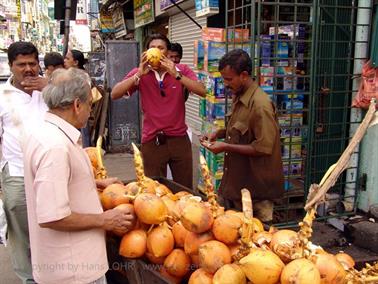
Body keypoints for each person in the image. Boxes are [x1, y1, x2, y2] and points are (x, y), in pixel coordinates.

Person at [22, 68, 135, 284]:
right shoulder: (55, 147)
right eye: (89, 106)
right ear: (76, 105)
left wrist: (94, 182)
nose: (90, 112)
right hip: (73, 271)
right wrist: (105, 220)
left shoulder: (44, 133)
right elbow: (53, 215)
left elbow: (53, 185)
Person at [111, 33, 206, 189]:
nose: (156, 50)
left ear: (167, 53)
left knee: (184, 190)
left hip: (179, 139)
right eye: (152, 48)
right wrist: (138, 75)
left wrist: (176, 74)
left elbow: (202, 91)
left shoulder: (181, 69)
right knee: (154, 189)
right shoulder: (140, 73)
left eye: (160, 47)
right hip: (152, 141)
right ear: (146, 53)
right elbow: (115, 94)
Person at [200, 49, 284, 222]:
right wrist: (220, 133)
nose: (225, 83)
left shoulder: (261, 105)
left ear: (244, 75)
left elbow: (263, 147)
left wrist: (225, 147)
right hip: (237, 185)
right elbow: (242, 129)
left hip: (257, 193)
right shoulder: (240, 96)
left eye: (229, 79)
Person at [0, 41, 48, 284]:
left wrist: (49, 86)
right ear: (11, 66)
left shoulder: (49, 88)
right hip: (17, 174)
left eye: (32, 63)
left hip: (50, 172)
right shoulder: (2, 96)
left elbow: (84, 95)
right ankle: (29, 280)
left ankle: (51, 274)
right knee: (21, 232)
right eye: (21, 64)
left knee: (50, 227)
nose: (28, 69)